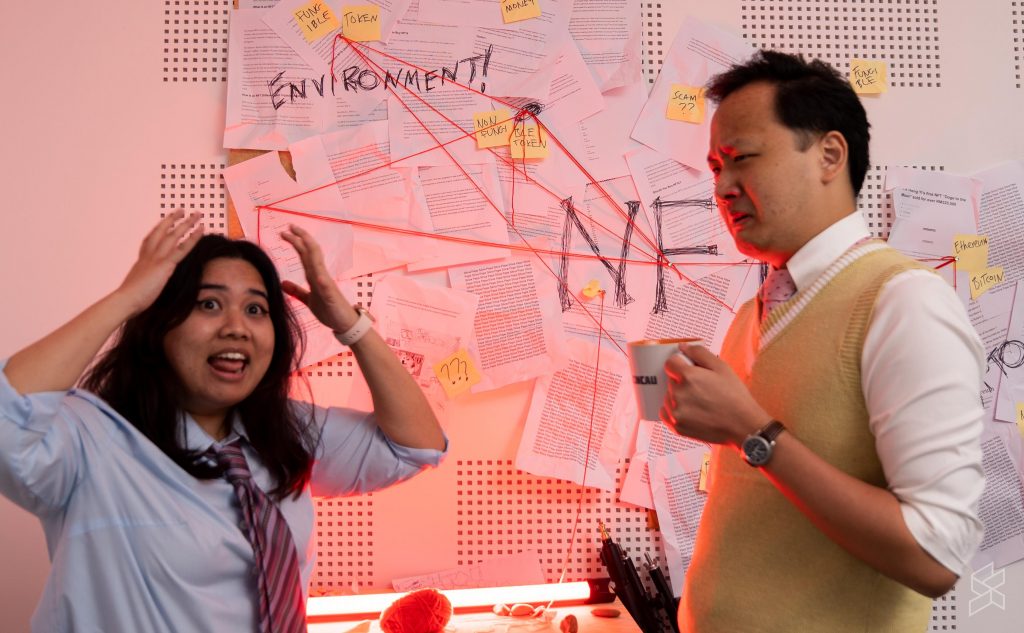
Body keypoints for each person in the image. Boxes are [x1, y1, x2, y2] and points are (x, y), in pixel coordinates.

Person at [0, 210, 447, 632]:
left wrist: (351, 325)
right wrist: (126, 300)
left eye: (255, 309)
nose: (237, 327)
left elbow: (414, 447)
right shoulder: (91, 437)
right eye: (209, 304)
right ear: (159, 325)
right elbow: (7, 419)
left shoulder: (287, 432)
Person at [661, 50, 985, 632]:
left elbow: (937, 556)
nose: (723, 187)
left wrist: (751, 432)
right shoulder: (753, 313)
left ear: (830, 156)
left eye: (741, 158)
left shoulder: (903, 301)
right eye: (714, 167)